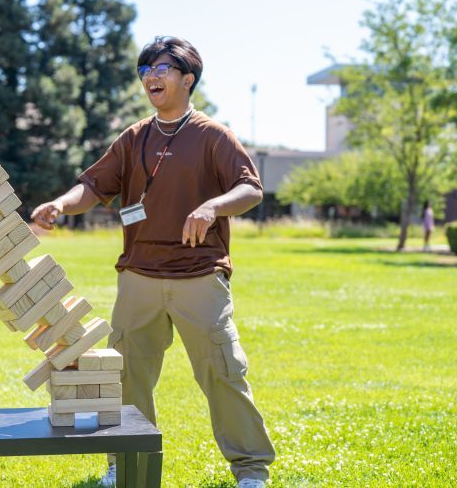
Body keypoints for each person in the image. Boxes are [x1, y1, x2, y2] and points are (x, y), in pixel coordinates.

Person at [32, 36, 275, 487]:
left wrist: (212, 207)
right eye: (145, 71)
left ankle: (251, 470)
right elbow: (94, 184)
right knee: (125, 377)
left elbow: (250, 189)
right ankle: (126, 465)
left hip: (199, 276)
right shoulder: (134, 136)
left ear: (188, 79)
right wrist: (61, 204)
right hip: (138, 277)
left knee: (223, 371)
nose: (151, 78)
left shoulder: (213, 135)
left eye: (161, 69)